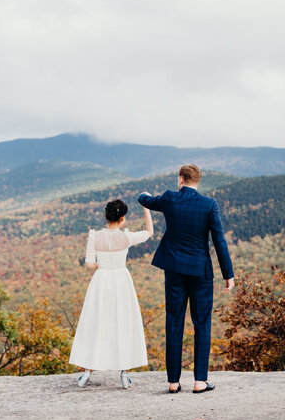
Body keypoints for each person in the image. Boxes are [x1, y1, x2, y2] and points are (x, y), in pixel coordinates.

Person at [138, 164, 234, 394]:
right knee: (202, 323)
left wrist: (145, 195)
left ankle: (173, 382)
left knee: (173, 321)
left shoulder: (170, 199)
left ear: (181, 179)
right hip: (200, 272)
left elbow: (145, 200)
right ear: (197, 181)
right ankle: (200, 381)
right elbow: (219, 240)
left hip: (174, 270)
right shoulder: (209, 204)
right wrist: (228, 274)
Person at [69, 198, 153, 389]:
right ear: (123, 218)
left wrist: (102, 265)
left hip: (101, 281)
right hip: (121, 281)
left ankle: (87, 372)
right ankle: (124, 373)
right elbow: (149, 232)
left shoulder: (95, 236)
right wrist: (146, 208)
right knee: (122, 323)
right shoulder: (126, 237)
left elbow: (90, 263)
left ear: (106, 215)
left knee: (96, 323)